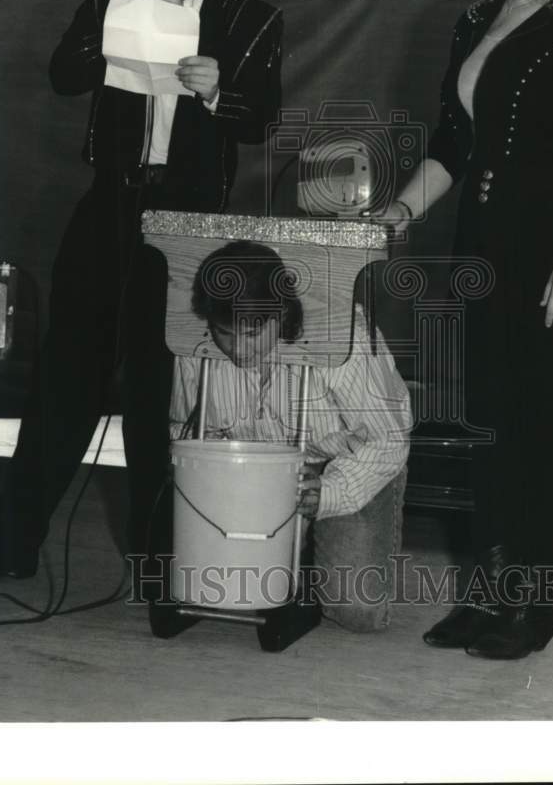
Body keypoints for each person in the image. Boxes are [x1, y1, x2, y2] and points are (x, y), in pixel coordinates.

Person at [0, 0, 283, 589]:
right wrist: (114, 24)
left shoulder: (250, 16)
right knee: (64, 377)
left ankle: (156, 561)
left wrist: (218, 90)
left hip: (186, 222)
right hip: (109, 203)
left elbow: (260, 121)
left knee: (156, 392)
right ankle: (11, 544)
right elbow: (63, 75)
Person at [379, 0, 553, 659]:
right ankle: (487, 593)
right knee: (487, 423)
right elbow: (452, 143)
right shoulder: (476, 19)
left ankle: (532, 605)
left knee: (543, 425)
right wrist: (398, 212)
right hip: (481, 244)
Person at [168, 241, 413, 631]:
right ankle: (302, 557)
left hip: (347, 462)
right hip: (254, 472)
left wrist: (329, 493)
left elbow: (388, 437)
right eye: (224, 333)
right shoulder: (195, 345)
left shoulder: (345, 337)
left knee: (357, 610)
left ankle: (316, 558)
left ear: (279, 314)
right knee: (228, 586)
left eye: (252, 333)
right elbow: (182, 427)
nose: (238, 349)